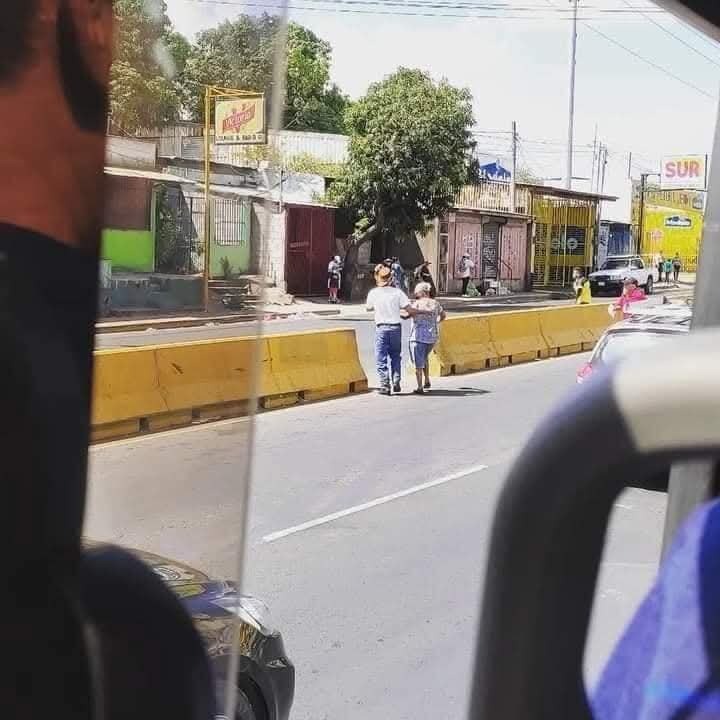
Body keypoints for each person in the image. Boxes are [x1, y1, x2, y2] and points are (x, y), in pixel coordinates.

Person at [366, 264, 427, 395]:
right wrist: (423, 311)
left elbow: (368, 307)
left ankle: (385, 384)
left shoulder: (374, 293)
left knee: (381, 357)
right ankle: (396, 380)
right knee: (395, 355)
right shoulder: (398, 293)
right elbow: (409, 310)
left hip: (381, 328)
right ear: (391, 279)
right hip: (395, 328)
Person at [409, 282, 446, 394]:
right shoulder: (436, 303)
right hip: (432, 337)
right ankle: (427, 380)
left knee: (418, 362)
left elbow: (408, 314)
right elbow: (443, 315)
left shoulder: (417, 304)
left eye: (417, 292)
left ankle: (420, 386)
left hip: (418, 336)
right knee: (424, 357)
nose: (416, 294)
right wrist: (435, 322)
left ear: (422, 292)